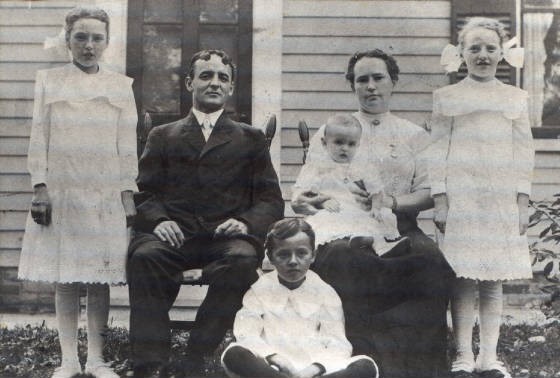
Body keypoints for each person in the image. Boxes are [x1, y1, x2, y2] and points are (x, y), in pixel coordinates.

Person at [292, 49, 453, 378]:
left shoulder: (413, 135)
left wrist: (390, 203)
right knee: (347, 259)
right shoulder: (334, 131)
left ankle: (414, 367)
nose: (370, 86)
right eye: (361, 79)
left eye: (378, 78)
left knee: (432, 263)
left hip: (399, 227)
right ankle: (354, 362)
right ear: (352, 85)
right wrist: (313, 202)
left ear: (393, 82)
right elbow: (305, 190)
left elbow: (428, 194)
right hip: (342, 227)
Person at [127, 49, 284, 377]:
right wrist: (160, 220)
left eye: (222, 78)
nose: (214, 83)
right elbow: (145, 192)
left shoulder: (250, 138)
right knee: (144, 257)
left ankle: (196, 353)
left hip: (223, 239)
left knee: (242, 262)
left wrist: (244, 222)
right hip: (174, 235)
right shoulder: (163, 135)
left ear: (230, 89)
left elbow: (270, 199)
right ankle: (150, 363)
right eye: (206, 76)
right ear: (189, 83)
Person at [18, 6, 138, 378]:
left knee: (99, 278)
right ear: (68, 39)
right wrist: (40, 187)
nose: (89, 45)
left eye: (96, 38)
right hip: (62, 189)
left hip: (104, 193)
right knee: (67, 276)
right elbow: (40, 138)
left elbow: (127, 145)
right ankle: (69, 359)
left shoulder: (121, 86)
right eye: (81, 37)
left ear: (107, 42)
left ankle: (98, 359)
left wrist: (127, 194)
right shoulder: (49, 81)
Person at [430, 17, 534, 378]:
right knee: (462, 277)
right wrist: (440, 199)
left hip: (499, 200)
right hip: (462, 199)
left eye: (490, 48)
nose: (483, 55)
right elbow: (437, 149)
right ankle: (462, 354)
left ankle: (488, 357)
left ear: (502, 53)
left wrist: (522, 201)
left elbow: (524, 153)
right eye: (474, 48)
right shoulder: (448, 98)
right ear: (461, 53)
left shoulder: (515, 98)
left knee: (492, 280)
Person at [221, 218, 379, 378]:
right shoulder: (259, 290)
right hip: (271, 367)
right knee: (234, 353)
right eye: (283, 255)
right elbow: (247, 334)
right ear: (270, 256)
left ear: (313, 255)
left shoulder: (325, 292)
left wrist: (313, 369)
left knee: (365, 366)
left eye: (302, 253)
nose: (293, 261)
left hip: (314, 368)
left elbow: (337, 343)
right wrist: (276, 358)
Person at [292, 113, 404, 255]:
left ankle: (381, 247)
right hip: (332, 209)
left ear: (358, 145)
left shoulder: (361, 167)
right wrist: (323, 203)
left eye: (351, 144)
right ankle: (358, 239)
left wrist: (376, 207)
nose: (345, 148)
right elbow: (309, 193)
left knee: (371, 219)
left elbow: (376, 190)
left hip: (356, 209)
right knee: (326, 220)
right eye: (339, 142)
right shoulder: (317, 167)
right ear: (324, 143)